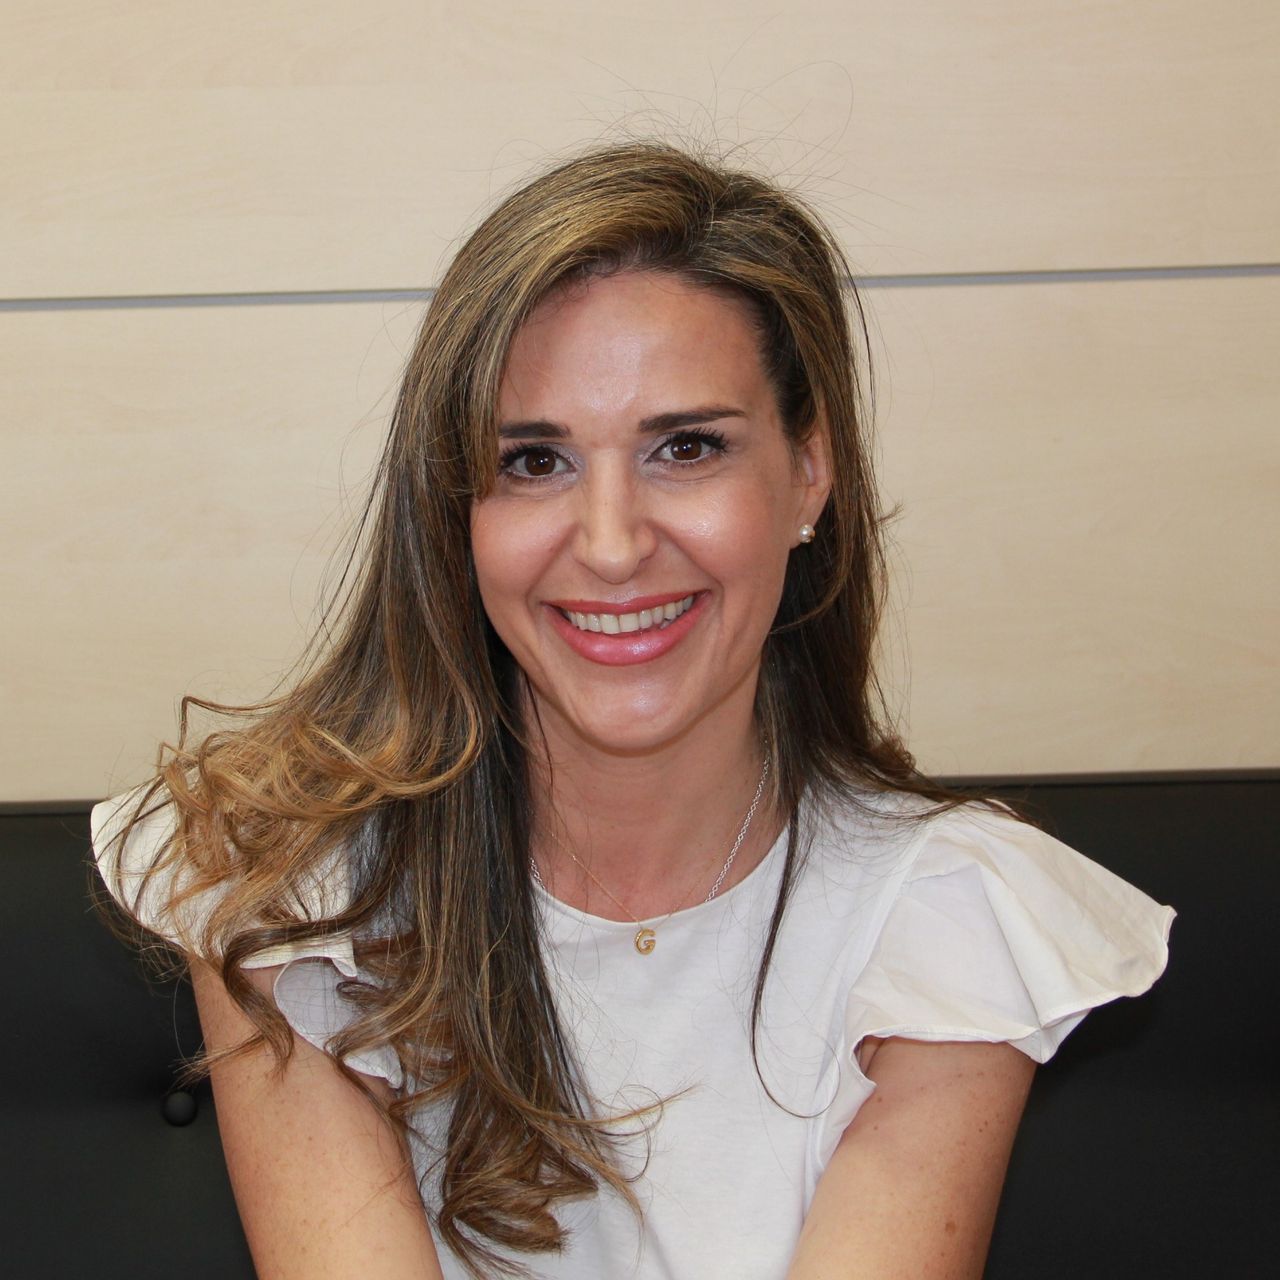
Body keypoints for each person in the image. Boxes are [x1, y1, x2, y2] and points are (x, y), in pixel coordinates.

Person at [91, 140, 1173, 1280]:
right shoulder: (287, 888)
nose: (610, 546)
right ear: (455, 509)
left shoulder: (945, 920)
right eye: (534, 461)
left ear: (809, 472)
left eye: (686, 447)